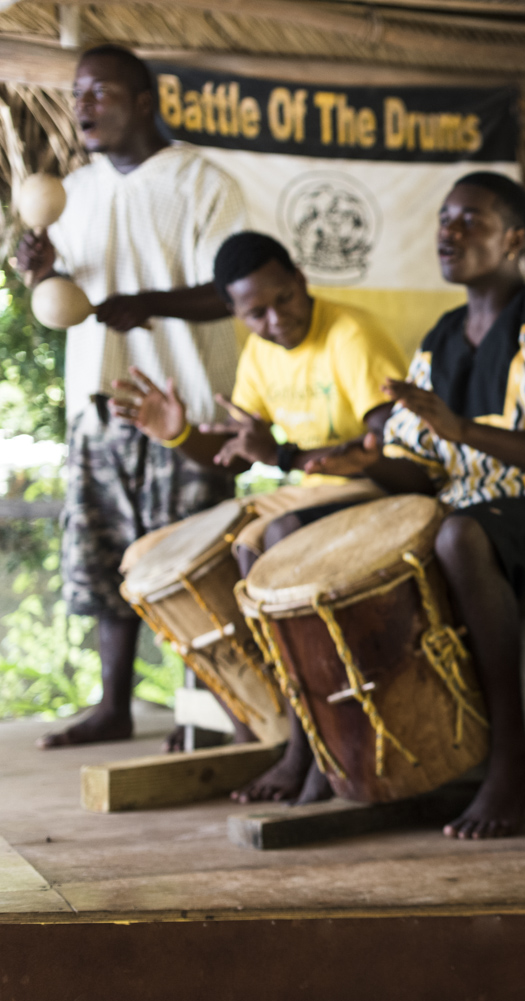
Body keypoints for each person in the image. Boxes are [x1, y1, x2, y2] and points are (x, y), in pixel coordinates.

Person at [310, 171, 525, 838]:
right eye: (445, 219)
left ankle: (511, 753)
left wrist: (462, 431)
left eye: (470, 221)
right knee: (318, 530)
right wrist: (368, 463)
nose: (449, 232)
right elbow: (425, 470)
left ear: (514, 238)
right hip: (474, 510)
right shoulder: (441, 337)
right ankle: (350, 747)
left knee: (460, 538)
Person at [110, 230, 409, 802]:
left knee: (263, 543)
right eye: (256, 313)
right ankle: (263, 720)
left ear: (300, 280)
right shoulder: (258, 354)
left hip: (374, 491)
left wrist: (285, 457)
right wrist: (177, 433)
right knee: (149, 559)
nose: (276, 320)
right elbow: (233, 457)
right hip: (304, 490)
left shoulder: (352, 334)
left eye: (284, 300)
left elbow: (383, 448)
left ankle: (309, 744)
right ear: (233, 312)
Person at [16, 44, 246, 750]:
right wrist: (43, 269)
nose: (83, 105)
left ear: (144, 102)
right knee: (102, 557)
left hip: (186, 408)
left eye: (100, 93)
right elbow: (62, 299)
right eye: (79, 93)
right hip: (99, 406)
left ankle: (206, 712)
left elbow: (235, 290)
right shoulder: (74, 192)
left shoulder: (204, 182)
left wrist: (147, 301)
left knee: (190, 569)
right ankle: (113, 703)